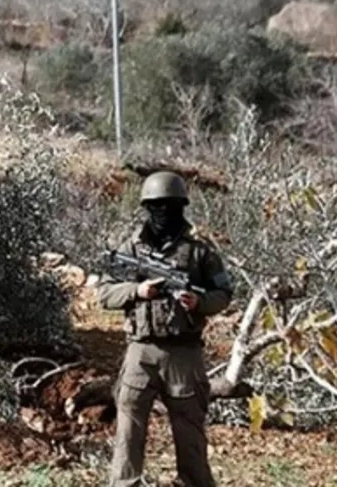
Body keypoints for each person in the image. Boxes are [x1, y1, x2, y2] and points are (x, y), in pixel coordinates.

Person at [96, 170, 234, 487]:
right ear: (147, 207)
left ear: (182, 207)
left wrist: (198, 303)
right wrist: (137, 291)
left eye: (170, 206)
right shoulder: (129, 250)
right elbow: (105, 293)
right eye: (157, 206)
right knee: (128, 430)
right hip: (140, 350)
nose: (163, 213)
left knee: (190, 434)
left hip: (184, 354)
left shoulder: (200, 251)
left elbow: (223, 294)